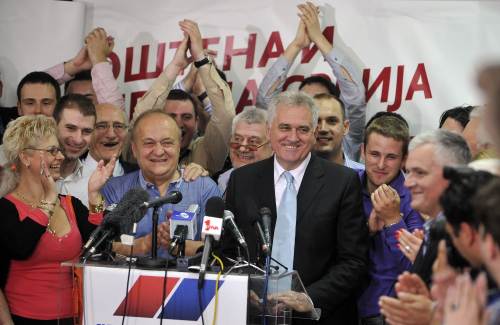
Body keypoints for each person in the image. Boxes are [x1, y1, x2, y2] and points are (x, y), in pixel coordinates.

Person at [223, 91, 368, 324]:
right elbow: (228, 251)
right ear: (270, 130)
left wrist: (308, 298)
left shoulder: (342, 182)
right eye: (285, 127)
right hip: (252, 314)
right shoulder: (242, 180)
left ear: (313, 133)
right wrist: (243, 287)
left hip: (317, 315)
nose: (293, 137)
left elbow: (354, 261)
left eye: (302, 129)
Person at [0, 114, 113, 324]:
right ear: (25, 157)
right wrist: (49, 198)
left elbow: (100, 247)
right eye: (52, 151)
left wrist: (94, 196)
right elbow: (21, 246)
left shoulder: (71, 204)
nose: (60, 156)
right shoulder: (5, 208)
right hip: (23, 318)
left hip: (72, 318)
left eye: (58, 150)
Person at [379, 130, 471, 324]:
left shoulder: (468, 234)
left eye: (419, 173)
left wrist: (434, 315)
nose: (409, 182)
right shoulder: (434, 229)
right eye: (408, 171)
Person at [102, 110, 221, 257]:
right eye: (149, 143)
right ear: (134, 149)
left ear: (179, 146)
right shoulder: (115, 189)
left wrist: (178, 245)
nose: (158, 151)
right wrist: (143, 245)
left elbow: (217, 248)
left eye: (167, 143)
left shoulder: (204, 188)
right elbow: (102, 246)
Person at [257, 2, 366, 161]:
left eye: (319, 102)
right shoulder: (290, 145)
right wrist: (296, 45)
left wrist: (318, 38)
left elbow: (355, 94)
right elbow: (265, 101)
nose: (314, 111)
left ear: (344, 125)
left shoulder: (347, 141)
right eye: (306, 102)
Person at [131, 20, 235, 175]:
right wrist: (176, 66)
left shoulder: (206, 151)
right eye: (171, 116)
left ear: (197, 121)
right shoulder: (144, 148)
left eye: (186, 117)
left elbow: (225, 116)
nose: (179, 123)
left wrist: (200, 58)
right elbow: (142, 117)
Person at [357, 115, 424, 324]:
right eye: (374, 154)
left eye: (391, 157)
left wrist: (393, 220)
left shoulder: (417, 197)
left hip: (386, 314)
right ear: (362, 151)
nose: (381, 164)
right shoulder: (344, 186)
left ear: (404, 159)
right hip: (339, 307)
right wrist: (368, 230)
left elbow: (414, 267)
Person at [45, 27, 124, 110]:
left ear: (101, 102)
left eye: (88, 100)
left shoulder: (111, 118)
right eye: (73, 100)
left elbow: (115, 111)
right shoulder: (53, 121)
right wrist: (73, 66)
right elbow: (32, 90)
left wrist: (99, 59)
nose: (80, 107)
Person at [0, 71, 61, 165]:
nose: (38, 111)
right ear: (19, 108)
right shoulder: (3, 157)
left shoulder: (70, 149)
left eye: (46, 103)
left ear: (58, 107)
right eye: (30, 103)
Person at [217, 107, 273, 194]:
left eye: (253, 142)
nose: (242, 149)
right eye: (237, 139)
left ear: (272, 147)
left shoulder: (281, 188)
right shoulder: (221, 181)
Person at [313, 93, 364, 169]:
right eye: (316, 121)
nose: (323, 129)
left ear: (345, 127)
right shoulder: (290, 176)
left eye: (332, 121)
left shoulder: (364, 177)